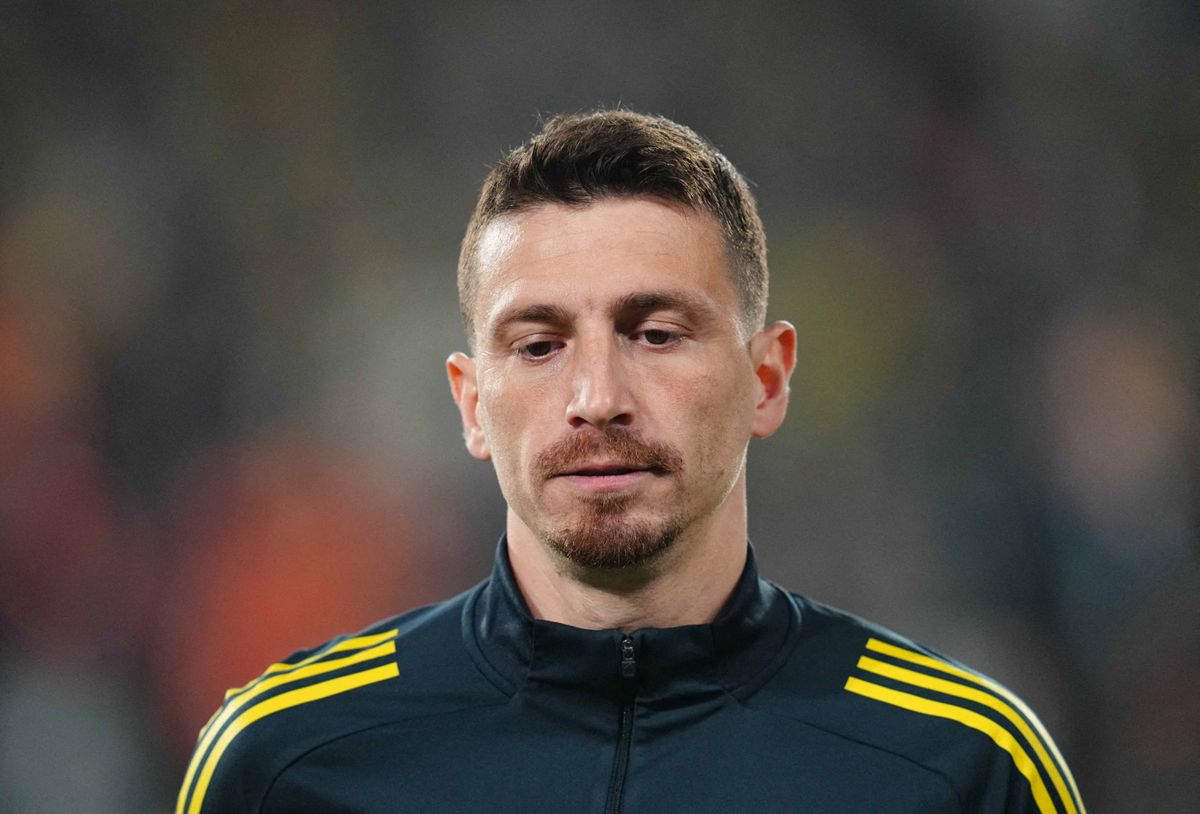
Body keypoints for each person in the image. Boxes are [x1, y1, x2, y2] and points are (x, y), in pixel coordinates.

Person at [176, 110, 1086, 813]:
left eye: (654, 333)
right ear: (472, 403)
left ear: (767, 380)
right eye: (539, 345)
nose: (596, 396)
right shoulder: (282, 761)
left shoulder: (963, 766)